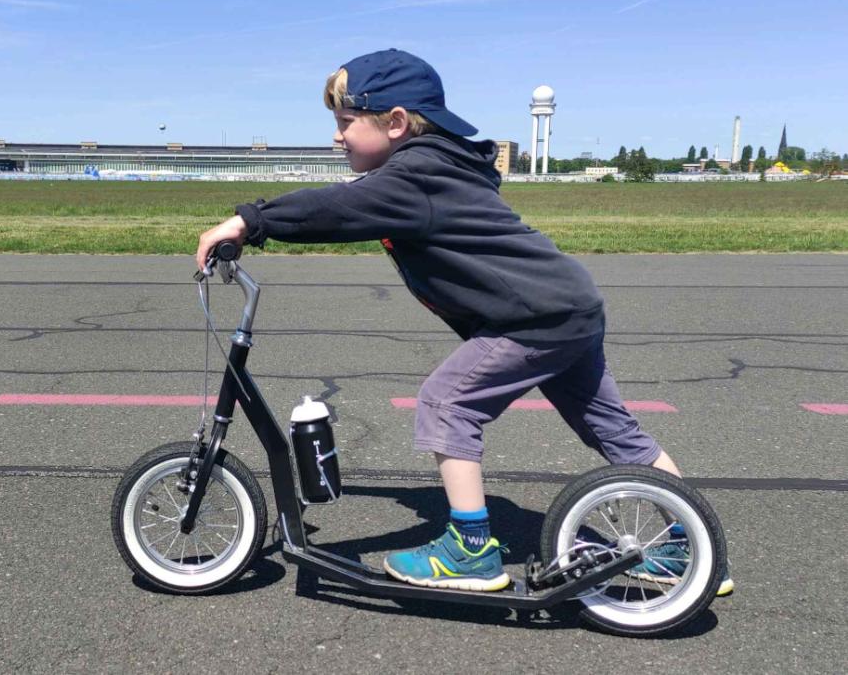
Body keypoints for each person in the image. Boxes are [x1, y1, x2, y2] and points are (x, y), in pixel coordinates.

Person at [194, 49, 732, 595]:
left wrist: (249, 221)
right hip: (567, 309)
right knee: (615, 432)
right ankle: (683, 548)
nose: (336, 137)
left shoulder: (416, 175)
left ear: (396, 122)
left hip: (536, 319)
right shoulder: (437, 166)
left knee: (447, 402)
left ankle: (470, 553)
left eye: (344, 122)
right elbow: (349, 204)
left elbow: (335, 208)